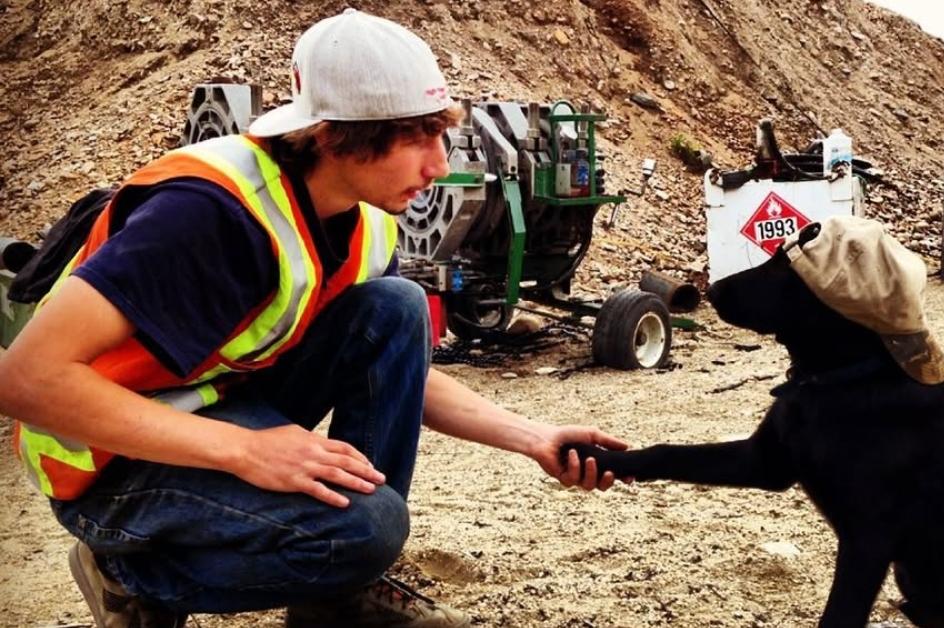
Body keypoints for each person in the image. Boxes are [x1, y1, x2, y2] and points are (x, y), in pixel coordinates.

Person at [0, 9, 625, 628]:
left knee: (397, 306)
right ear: (332, 137)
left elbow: (401, 376)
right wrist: (245, 450)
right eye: (415, 137)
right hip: (107, 465)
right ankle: (126, 576)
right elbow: (25, 381)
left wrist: (530, 435)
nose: (437, 166)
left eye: (441, 135)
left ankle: (335, 597)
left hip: (207, 406)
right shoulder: (206, 214)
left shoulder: (364, 216)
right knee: (365, 529)